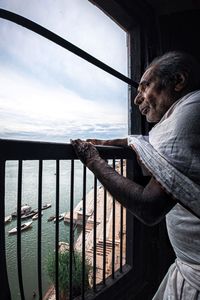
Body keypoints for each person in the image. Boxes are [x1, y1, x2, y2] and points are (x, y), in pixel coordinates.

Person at [71, 51, 200, 299]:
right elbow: (144, 142)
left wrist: (92, 159)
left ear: (178, 81)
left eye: (145, 86)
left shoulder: (191, 111)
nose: (136, 99)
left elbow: (148, 207)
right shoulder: (184, 113)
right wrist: (106, 142)